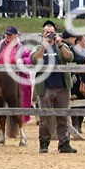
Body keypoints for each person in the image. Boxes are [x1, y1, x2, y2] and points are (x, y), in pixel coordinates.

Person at [28, 22, 76, 153]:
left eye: (52, 33)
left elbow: (70, 57)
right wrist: (44, 46)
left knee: (63, 117)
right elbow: (34, 60)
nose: (50, 35)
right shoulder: (38, 47)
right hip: (46, 87)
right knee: (45, 118)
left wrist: (60, 44)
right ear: (42, 34)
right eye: (47, 33)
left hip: (62, 86)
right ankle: (44, 144)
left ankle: (64, 143)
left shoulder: (61, 46)